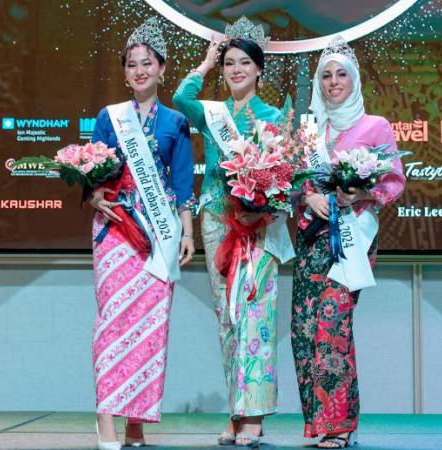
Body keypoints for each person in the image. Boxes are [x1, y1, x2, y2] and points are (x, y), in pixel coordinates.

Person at [172, 16, 283, 448]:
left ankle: (253, 416)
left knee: (257, 315)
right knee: (227, 318)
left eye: (243, 63)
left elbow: (283, 176)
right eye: (229, 64)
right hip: (216, 219)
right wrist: (205, 62)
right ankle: (236, 412)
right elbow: (182, 97)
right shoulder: (212, 112)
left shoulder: (273, 116)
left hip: (257, 225)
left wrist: (262, 211)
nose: (236, 70)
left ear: (259, 69)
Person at [86, 17, 196, 450]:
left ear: (163, 68)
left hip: (159, 232)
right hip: (115, 227)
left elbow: (184, 183)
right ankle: (106, 417)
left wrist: (187, 233)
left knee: (151, 328)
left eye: (147, 63)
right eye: (131, 65)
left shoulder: (174, 122)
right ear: (125, 73)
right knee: (114, 322)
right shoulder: (109, 117)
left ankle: (136, 423)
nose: (139, 71)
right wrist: (93, 194)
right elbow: (90, 166)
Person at [292, 36, 406, 449]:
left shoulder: (374, 126)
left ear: (354, 80)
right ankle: (319, 422)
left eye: (341, 74)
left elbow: (393, 180)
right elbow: (295, 181)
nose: (333, 81)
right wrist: (308, 195)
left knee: (332, 326)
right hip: (312, 240)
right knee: (305, 329)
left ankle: (340, 425)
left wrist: (363, 194)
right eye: (326, 75)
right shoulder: (310, 129)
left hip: (353, 240)